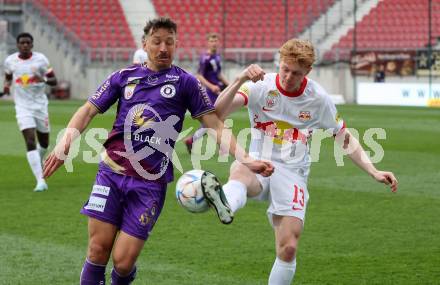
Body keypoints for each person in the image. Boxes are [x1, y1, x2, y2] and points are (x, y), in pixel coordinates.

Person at [43, 17, 273, 285]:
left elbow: (214, 124)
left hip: (150, 184)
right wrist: (64, 143)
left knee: (123, 262)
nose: (163, 48)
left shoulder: (186, 82)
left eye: (169, 42)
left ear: (177, 45)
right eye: (157, 41)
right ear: (145, 44)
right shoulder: (123, 77)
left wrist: (246, 158)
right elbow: (88, 110)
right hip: (111, 174)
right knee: (97, 250)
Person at [213, 39, 398, 284]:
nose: (288, 77)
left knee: (288, 248)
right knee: (240, 169)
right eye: (284, 69)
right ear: (279, 64)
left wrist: (373, 171)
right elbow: (217, 113)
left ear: (307, 73)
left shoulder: (318, 99)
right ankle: (225, 201)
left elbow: (343, 136)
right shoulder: (260, 85)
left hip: (292, 171)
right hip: (257, 161)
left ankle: (227, 198)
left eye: (296, 73)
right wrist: (239, 80)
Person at [2, 32, 57, 192]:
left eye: (28, 43)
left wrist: (44, 79)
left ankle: (38, 161)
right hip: (22, 107)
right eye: (22, 43)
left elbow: (54, 81)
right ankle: (40, 180)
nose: (25, 45)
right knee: (30, 141)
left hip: (40, 106)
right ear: (18, 45)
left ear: (32, 45)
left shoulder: (41, 60)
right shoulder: (10, 61)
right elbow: (8, 77)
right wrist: (6, 89)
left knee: (44, 143)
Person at [184, 32, 229, 152]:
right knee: (215, 120)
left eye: (215, 41)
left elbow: (218, 74)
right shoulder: (205, 58)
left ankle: (193, 140)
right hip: (210, 92)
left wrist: (229, 85)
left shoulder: (217, 56)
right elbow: (199, 75)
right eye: (212, 41)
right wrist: (211, 86)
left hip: (218, 90)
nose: (214, 43)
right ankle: (220, 145)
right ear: (208, 43)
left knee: (219, 118)